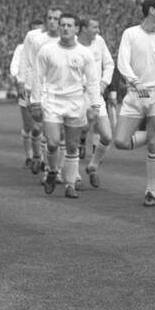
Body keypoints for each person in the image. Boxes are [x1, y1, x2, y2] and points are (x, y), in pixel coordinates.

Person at [95, 0, 155, 206]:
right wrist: (134, 81)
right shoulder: (131, 33)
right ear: (152, 11)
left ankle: (151, 191)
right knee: (120, 141)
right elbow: (122, 61)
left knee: (154, 144)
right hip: (135, 95)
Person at [35, 13, 100, 199]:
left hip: (75, 102)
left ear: (76, 29)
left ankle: (70, 185)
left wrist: (95, 105)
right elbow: (38, 77)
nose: (64, 28)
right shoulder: (46, 50)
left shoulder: (84, 53)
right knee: (53, 143)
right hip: (53, 101)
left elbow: (93, 81)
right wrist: (35, 101)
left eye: (69, 25)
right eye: (62, 24)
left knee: (72, 146)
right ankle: (53, 170)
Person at [17, 8, 61, 174]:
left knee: (54, 132)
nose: (52, 21)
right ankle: (38, 157)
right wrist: (23, 82)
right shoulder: (33, 37)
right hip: (36, 87)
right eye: (49, 18)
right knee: (37, 127)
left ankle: (51, 168)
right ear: (45, 20)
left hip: (56, 90)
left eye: (55, 18)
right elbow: (26, 60)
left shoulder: (66, 39)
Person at [77, 17, 115, 188]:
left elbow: (109, 64)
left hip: (96, 95)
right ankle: (75, 176)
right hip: (77, 96)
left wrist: (104, 83)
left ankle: (93, 164)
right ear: (83, 28)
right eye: (94, 27)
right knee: (76, 134)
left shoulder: (99, 42)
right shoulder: (74, 45)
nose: (98, 31)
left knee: (107, 136)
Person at [11, 20, 43, 167]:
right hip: (27, 90)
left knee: (43, 126)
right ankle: (29, 155)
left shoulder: (48, 46)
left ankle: (41, 158)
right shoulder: (21, 48)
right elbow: (15, 65)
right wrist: (20, 81)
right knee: (29, 125)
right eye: (34, 31)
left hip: (44, 91)